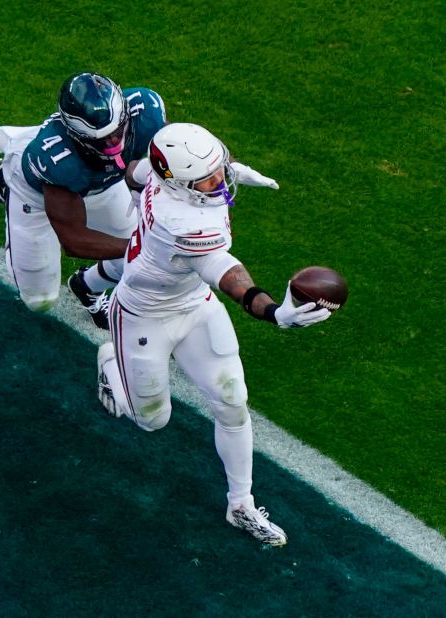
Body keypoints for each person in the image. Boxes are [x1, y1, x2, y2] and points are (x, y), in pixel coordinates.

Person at [96, 122, 331, 546]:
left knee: (232, 400)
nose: (218, 181)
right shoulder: (185, 223)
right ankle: (110, 360)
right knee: (152, 421)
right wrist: (274, 312)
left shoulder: (160, 172)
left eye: (219, 168)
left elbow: (135, 171)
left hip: (192, 304)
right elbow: (226, 273)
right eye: (208, 178)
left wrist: (231, 170)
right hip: (143, 315)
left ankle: (240, 503)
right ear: (179, 184)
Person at [0, 72, 167, 329]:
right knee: (39, 299)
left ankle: (87, 287)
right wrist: (142, 247)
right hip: (37, 193)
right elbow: (74, 240)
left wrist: (222, 168)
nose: (115, 141)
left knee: (131, 246)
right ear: (78, 135)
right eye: (102, 139)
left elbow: (183, 151)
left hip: (101, 181)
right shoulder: (59, 162)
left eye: (118, 129)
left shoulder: (144, 110)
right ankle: (9, 173)